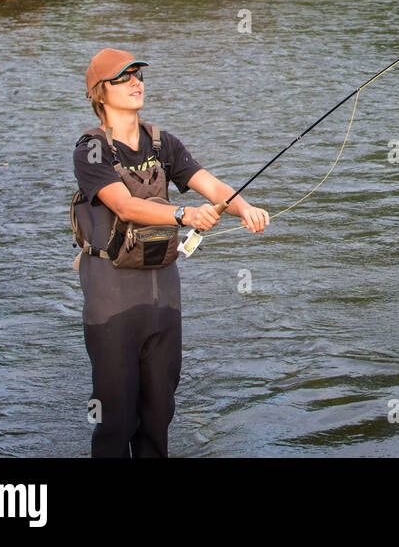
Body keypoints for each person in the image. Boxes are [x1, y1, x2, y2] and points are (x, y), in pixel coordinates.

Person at [72, 48, 270, 457]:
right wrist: (184, 214)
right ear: (99, 94)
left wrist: (244, 207)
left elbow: (212, 188)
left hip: (164, 296)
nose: (135, 82)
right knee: (116, 418)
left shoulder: (163, 143)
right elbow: (124, 205)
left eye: (138, 74)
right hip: (112, 300)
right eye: (122, 78)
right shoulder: (90, 149)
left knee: (158, 413)